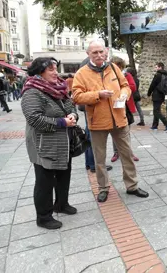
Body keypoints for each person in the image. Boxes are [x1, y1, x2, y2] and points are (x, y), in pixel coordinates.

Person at [72, 40, 148, 203]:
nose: (99, 55)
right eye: (95, 53)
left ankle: (132, 186)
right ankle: (103, 188)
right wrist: (98, 94)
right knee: (100, 158)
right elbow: (76, 97)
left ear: (105, 52)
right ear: (88, 54)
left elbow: (126, 86)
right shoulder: (81, 73)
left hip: (119, 119)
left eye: (101, 52)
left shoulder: (113, 68)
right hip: (97, 121)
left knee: (126, 154)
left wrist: (124, 95)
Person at [21, 57, 78, 229]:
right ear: (40, 72)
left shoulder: (59, 87)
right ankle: (44, 217)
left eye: (56, 68)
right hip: (43, 144)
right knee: (44, 180)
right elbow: (34, 118)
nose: (56, 72)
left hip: (63, 143)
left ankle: (61, 203)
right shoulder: (32, 91)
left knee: (63, 174)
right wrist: (62, 122)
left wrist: (73, 115)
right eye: (51, 69)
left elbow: (69, 104)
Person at [110, 57, 139, 163]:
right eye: (114, 65)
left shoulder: (126, 75)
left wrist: (121, 88)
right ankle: (116, 152)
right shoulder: (107, 76)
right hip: (114, 107)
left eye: (118, 65)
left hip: (125, 106)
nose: (116, 67)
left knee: (126, 132)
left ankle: (129, 153)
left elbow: (133, 86)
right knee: (114, 131)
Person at [147, 62, 167, 132]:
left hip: (156, 94)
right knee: (156, 110)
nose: (155, 68)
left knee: (156, 111)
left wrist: (149, 93)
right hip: (162, 95)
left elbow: (152, 85)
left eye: (156, 67)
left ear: (160, 67)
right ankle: (154, 126)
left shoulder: (158, 75)